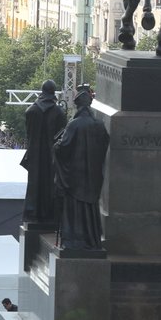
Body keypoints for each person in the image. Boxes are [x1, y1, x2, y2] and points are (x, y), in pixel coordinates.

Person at [52, 84, 109, 250]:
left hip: (76, 176)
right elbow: (105, 144)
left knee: (75, 209)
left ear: (78, 105)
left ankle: (75, 241)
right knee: (91, 208)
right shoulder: (99, 124)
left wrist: (56, 146)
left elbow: (63, 148)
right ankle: (92, 240)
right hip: (93, 174)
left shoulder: (74, 125)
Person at [20, 79, 66, 228]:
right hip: (52, 157)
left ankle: (33, 213)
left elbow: (29, 134)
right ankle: (50, 213)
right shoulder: (59, 112)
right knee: (50, 185)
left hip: (35, 155)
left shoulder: (31, 111)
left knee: (35, 184)